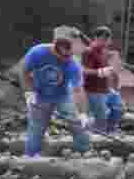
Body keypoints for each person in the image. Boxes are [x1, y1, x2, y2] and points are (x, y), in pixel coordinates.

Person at [22, 26, 91, 157]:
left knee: (76, 123)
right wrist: (29, 92)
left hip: (62, 96)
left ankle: (84, 150)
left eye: (71, 55)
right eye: (65, 55)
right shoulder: (37, 52)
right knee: (36, 127)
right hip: (40, 95)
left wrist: (82, 113)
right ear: (57, 47)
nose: (68, 59)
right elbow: (24, 71)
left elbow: (78, 90)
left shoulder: (73, 64)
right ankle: (30, 156)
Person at [81, 25, 118, 133]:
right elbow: (83, 70)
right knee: (100, 118)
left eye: (107, 39)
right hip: (93, 90)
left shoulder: (104, 52)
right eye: (104, 39)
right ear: (96, 38)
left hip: (105, 89)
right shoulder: (88, 52)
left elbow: (109, 71)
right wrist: (99, 72)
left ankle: (110, 131)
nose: (106, 42)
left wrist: (112, 86)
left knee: (118, 108)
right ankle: (97, 137)